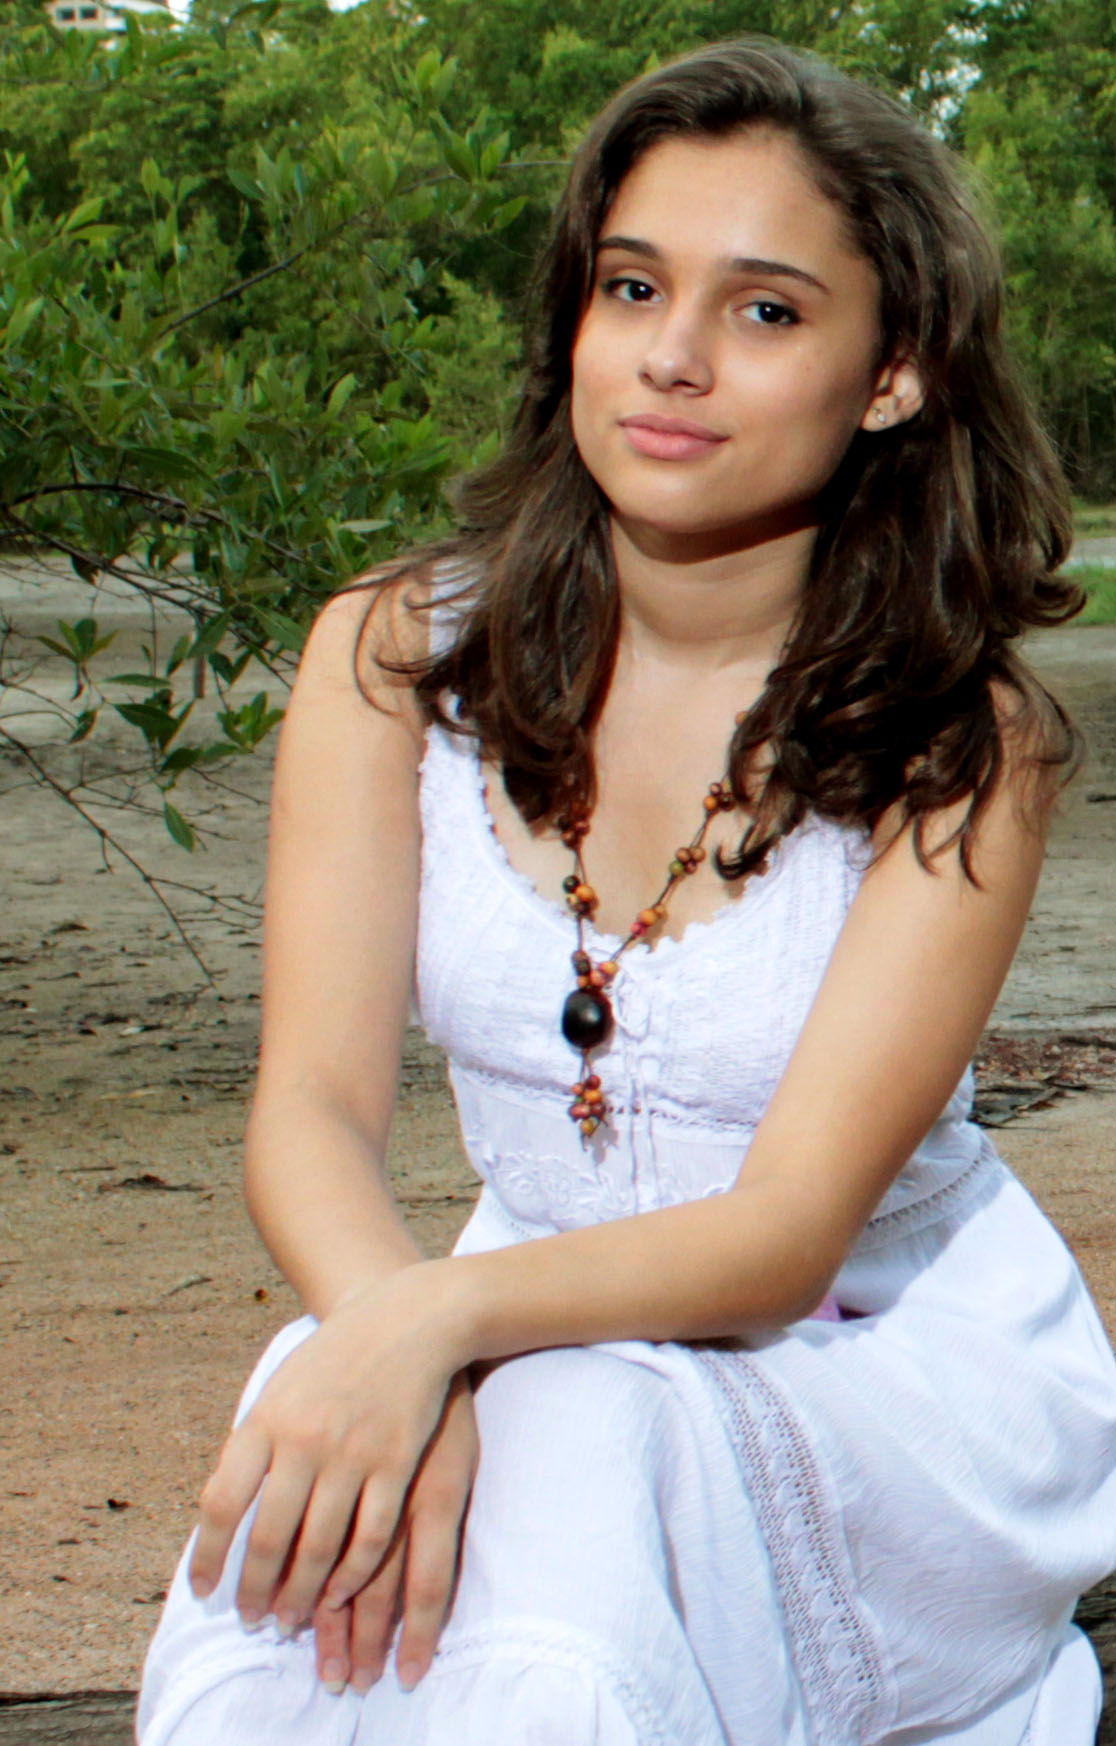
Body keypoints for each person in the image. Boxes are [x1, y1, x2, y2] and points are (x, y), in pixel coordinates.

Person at [137, 37, 1116, 1746]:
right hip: (527, 1328)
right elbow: (308, 1106)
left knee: (577, 1429)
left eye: (766, 310)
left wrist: (445, 1324)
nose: (672, 354)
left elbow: (786, 1236)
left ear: (892, 373)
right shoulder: (392, 654)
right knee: (348, 1404)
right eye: (633, 285)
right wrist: (393, 1341)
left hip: (869, 1358)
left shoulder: (964, 737)